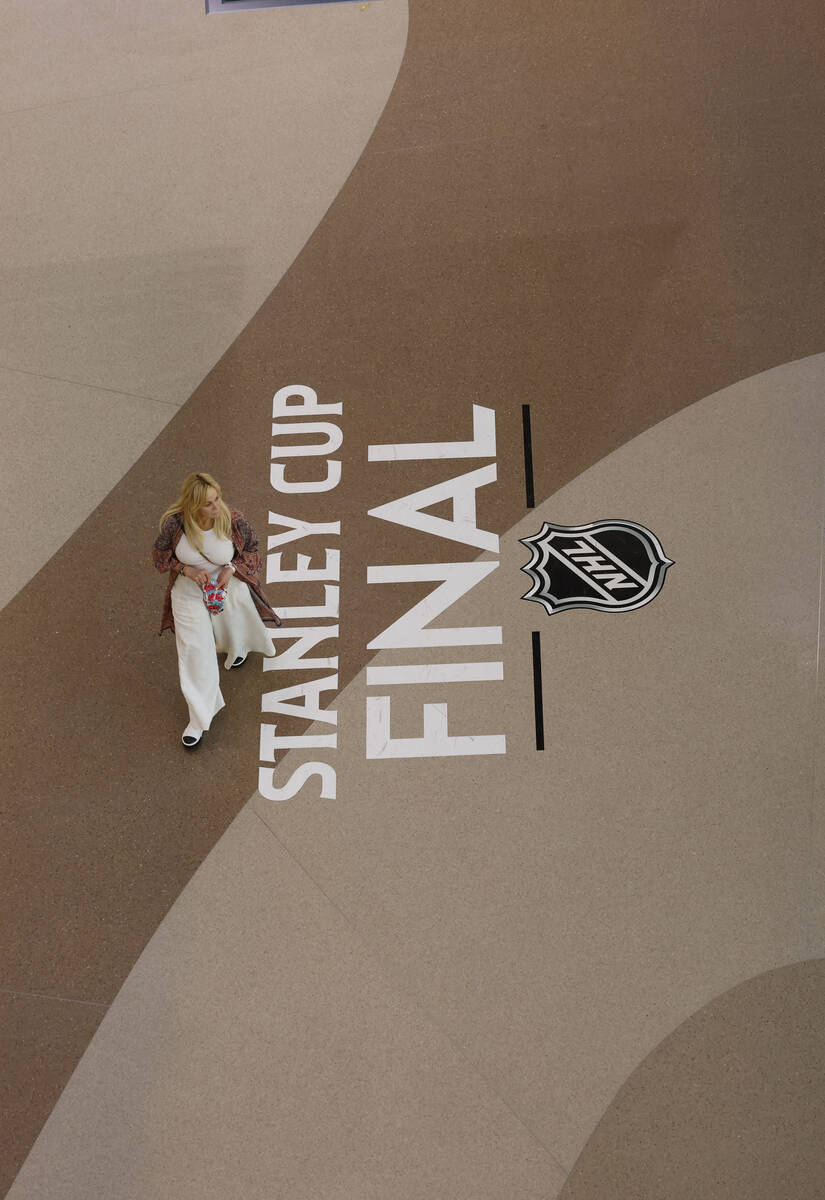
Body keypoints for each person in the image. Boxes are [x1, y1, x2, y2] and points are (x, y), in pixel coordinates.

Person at [152, 472, 281, 747]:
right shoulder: (174, 525)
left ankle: (239, 649)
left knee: (235, 625)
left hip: (228, 585)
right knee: (195, 651)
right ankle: (199, 719)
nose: (217, 507)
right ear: (193, 505)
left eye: (217, 499)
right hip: (188, 593)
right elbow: (160, 556)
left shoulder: (232, 519)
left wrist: (232, 569)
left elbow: (253, 550)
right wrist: (184, 569)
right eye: (209, 503)